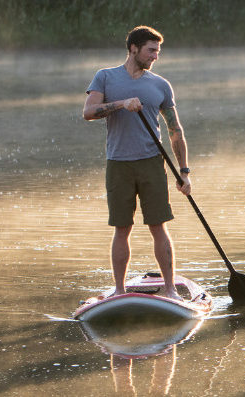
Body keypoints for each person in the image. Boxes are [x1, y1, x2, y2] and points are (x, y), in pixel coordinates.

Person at [83, 26, 192, 299]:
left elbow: (175, 130)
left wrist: (184, 172)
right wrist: (121, 104)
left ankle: (170, 290)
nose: (155, 56)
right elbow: (88, 112)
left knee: (159, 226)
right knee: (122, 228)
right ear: (133, 48)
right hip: (119, 163)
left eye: (158, 51)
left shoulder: (160, 85)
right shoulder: (105, 77)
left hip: (152, 163)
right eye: (150, 50)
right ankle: (119, 291)